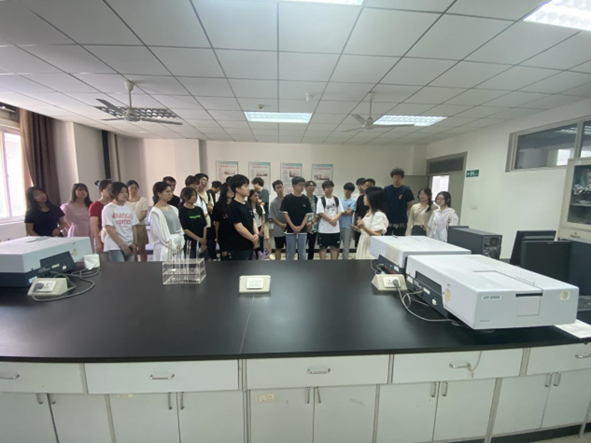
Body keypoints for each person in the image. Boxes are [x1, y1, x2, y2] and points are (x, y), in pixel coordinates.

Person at [102, 182, 139, 263]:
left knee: (129, 269)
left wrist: (135, 243)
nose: (125, 194)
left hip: (129, 244)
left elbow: (134, 226)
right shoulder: (108, 208)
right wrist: (122, 245)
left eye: (126, 192)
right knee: (120, 268)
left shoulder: (129, 207)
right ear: (114, 193)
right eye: (122, 192)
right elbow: (109, 228)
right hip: (114, 245)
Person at [148, 181, 185, 261]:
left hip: (177, 243)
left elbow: (179, 227)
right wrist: (171, 245)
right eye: (167, 191)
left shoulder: (174, 209)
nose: (171, 194)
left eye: (171, 191)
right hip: (165, 246)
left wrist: (182, 241)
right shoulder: (155, 212)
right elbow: (159, 233)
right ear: (159, 194)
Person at [353, 187, 389, 260]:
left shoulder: (378, 215)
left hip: (371, 246)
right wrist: (360, 230)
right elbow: (369, 230)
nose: (363, 198)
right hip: (364, 242)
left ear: (372, 198)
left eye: (365, 195)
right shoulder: (369, 212)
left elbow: (378, 235)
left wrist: (364, 227)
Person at [281, 176, 312, 261]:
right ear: (294, 186)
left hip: (302, 230)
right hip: (290, 230)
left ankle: (302, 268)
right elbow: (285, 214)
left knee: (302, 252)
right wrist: (293, 227)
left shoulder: (305, 199)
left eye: (303, 185)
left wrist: (301, 227)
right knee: (290, 252)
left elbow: (307, 215)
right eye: (300, 185)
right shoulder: (287, 198)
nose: (302, 187)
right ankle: (289, 268)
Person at [227, 175, 257, 261]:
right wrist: (253, 239)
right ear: (237, 189)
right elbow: (239, 228)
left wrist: (256, 234)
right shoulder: (233, 206)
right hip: (239, 247)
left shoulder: (247, 204)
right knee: (241, 269)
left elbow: (253, 220)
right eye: (246, 186)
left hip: (249, 244)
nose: (248, 189)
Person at [316, 180, 344, 260]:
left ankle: (333, 264)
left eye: (331, 187)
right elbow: (320, 213)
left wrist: (334, 219)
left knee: (334, 248)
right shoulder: (321, 200)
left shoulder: (336, 199)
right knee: (323, 248)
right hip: (324, 229)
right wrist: (331, 221)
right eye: (327, 187)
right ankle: (323, 264)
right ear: (324, 189)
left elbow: (340, 211)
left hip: (335, 229)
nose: (330, 189)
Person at [179, 187, 208, 259]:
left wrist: (203, 240)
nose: (194, 197)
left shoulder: (199, 209)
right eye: (191, 195)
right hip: (190, 243)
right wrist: (199, 239)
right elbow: (185, 229)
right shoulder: (181, 211)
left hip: (202, 243)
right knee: (191, 263)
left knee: (204, 262)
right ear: (184, 196)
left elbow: (204, 225)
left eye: (195, 195)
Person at [384, 168, 414, 236]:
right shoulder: (386, 189)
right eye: (394, 177)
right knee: (387, 238)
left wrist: (401, 210)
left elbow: (410, 204)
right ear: (392, 178)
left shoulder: (406, 190)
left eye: (398, 177)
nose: (396, 179)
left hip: (401, 219)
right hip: (388, 218)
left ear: (401, 178)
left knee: (400, 238)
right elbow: (383, 203)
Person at [126, 180, 149, 262]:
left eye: (135, 188)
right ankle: (136, 265)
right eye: (131, 188)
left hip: (140, 226)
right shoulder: (125, 201)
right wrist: (130, 224)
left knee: (142, 248)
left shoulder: (143, 200)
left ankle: (144, 265)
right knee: (133, 249)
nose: (134, 190)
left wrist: (135, 222)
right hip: (128, 227)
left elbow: (144, 214)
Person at [212, 183, 234, 261]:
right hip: (224, 233)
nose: (231, 192)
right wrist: (217, 237)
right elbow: (217, 223)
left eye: (232, 190)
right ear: (224, 191)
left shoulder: (236, 204)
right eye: (229, 191)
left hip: (236, 234)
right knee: (225, 256)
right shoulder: (218, 205)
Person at [89, 179, 112, 256]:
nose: (111, 191)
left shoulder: (116, 203)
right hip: (103, 236)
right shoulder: (95, 205)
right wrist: (98, 242)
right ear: (101, 190)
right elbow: (94, 225)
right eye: (108, 189)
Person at [196, 173, 216, 260]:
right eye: (203, 179)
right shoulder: (193, 194)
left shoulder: (208, 194)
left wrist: (206, 206)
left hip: (208, 220)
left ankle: (210, 257)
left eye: (206, 180)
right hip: (197, 221)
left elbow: (212, 207)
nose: (205, 182)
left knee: (210, 240)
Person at [252, 177, 273, 256]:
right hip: (256, 218)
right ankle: (258, 253)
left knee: (266, 236)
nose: (254, 186)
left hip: (264, 217)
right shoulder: (256, 192)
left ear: (257, 184)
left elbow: (263, 203)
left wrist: (256, 200)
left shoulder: (265, 191)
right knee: (257, 236)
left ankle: (270, 253)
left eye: (254, 184)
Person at [269, 180, 287, 261]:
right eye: (277, 188)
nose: (280, 189)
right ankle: (278, 263)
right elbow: (272, 217)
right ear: (274, 189)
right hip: (278, 227)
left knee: (289, 246)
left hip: (289, 226)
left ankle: (288, 263)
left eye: (281, 187)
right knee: (278, 247)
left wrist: (288, 224)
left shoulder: (288, 199)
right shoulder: (273, 203)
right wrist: (281, 225)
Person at [355, 178, 375, 247]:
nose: (366, 187)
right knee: (359, 244)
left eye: (368, 186)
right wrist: (356, 223)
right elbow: (357, 212)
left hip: (370, 226)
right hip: (360, 224)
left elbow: (377, 234)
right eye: (365, 186)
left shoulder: (376, 200)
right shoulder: (360, 198)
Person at [340, 182, 357, 260]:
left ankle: (345, 261)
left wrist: (340, 211)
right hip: (337, 225)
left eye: (348, 190)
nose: (346, 191)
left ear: (352, 191)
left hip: (347, 226)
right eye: (345, 189)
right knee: (335, 246)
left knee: (346, 246)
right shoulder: (339, 200)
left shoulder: (353, 201)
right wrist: (344, 211)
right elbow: (338, 211)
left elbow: (349, 212)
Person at [249, 189, 267, 260]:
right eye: (255, 196)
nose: (257, 197)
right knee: (253, 246)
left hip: (259, 228)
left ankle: (260, 259)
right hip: (251, 229)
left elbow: (263, 219)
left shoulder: (260, 207)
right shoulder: (248, 207)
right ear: (250, 197)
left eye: (257, 196)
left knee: (260, 246)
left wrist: (262, 229)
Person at [304, 180, 319, 260]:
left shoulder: (317, 199)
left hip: (313, 226)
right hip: (303, 226)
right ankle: (300, 261)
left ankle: (310, 261)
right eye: (310, 186)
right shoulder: (302, 198)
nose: (312, 187)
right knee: (302, 246)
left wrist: (312, 222)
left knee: (312, 246)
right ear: (305, 188)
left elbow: (318, 213)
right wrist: (306, 223)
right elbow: (299, 213)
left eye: (313, 186)